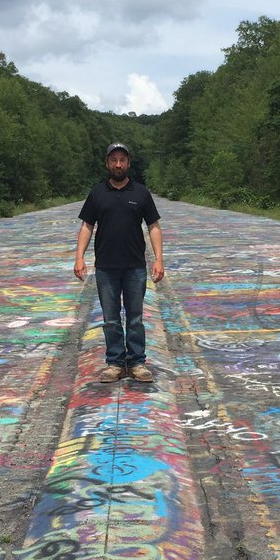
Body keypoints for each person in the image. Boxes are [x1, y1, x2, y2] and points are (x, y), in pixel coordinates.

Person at [74, 143, 164, 382]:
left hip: (135, 266)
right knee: (111, 319)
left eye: (122, 160)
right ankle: (115, 363)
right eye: (113, 160)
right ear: (107, 163)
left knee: (135, 318)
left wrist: (159, 259)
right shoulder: (97, 193)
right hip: (106, 267)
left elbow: (153, 226)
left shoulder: (141, 193)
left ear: (128, 163)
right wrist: (79, 257)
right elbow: (87, 226)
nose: (118, 164)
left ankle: (136, 363)